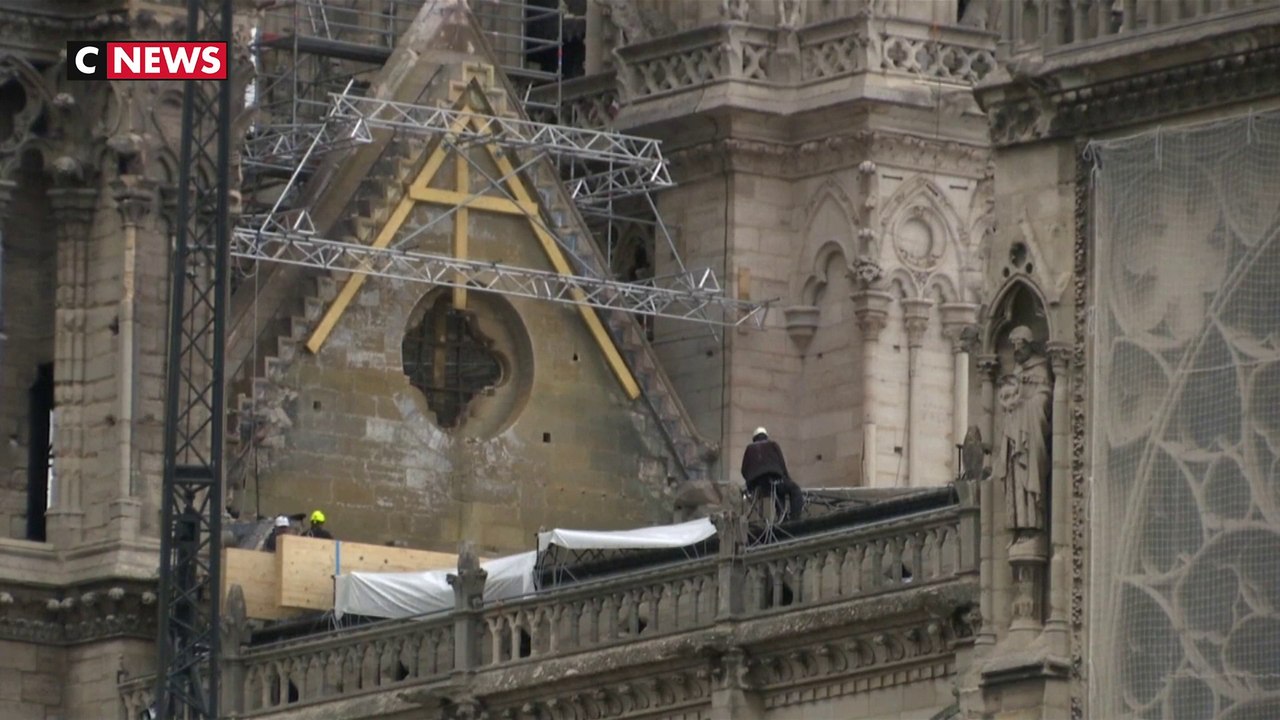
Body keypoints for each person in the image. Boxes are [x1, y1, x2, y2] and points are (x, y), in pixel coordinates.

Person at [741, 427, 804, 521]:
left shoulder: (749, 448)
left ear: (754, 438)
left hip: (758, 487)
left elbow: (744, 469)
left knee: (778, 494)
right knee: (794, 490)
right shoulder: (773, 445)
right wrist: (787, 479)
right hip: (774, 480)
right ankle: (795, 519)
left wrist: (751, 484)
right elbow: (782, 464)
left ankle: (783, 518)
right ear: (766, 437)